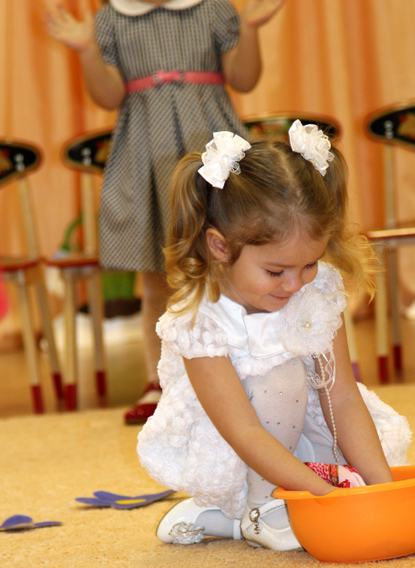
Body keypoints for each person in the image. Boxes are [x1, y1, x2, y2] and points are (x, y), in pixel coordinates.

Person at [137, 121, 412, 551]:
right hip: (232, 446)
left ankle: (231, 516)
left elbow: (341, 397)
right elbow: (243, 432)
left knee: (351, 456)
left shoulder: (313, 292)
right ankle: (258, 507)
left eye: (309, 264)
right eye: (275, 271)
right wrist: (323, 499)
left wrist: (383, 489)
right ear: (220, 247)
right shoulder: (200, 322)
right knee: (280, 379)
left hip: (295, 433)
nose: (295, 284)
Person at [44, 0, 286, 424]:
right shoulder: (113, 18)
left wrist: (248, 30)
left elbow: (244, 78)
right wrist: (87, 50)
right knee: (157, 275)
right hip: (144, 156)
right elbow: (108, 95)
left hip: (210, 146)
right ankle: (161, 382)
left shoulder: (212, 8)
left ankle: (246, 367)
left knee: (230, 263)